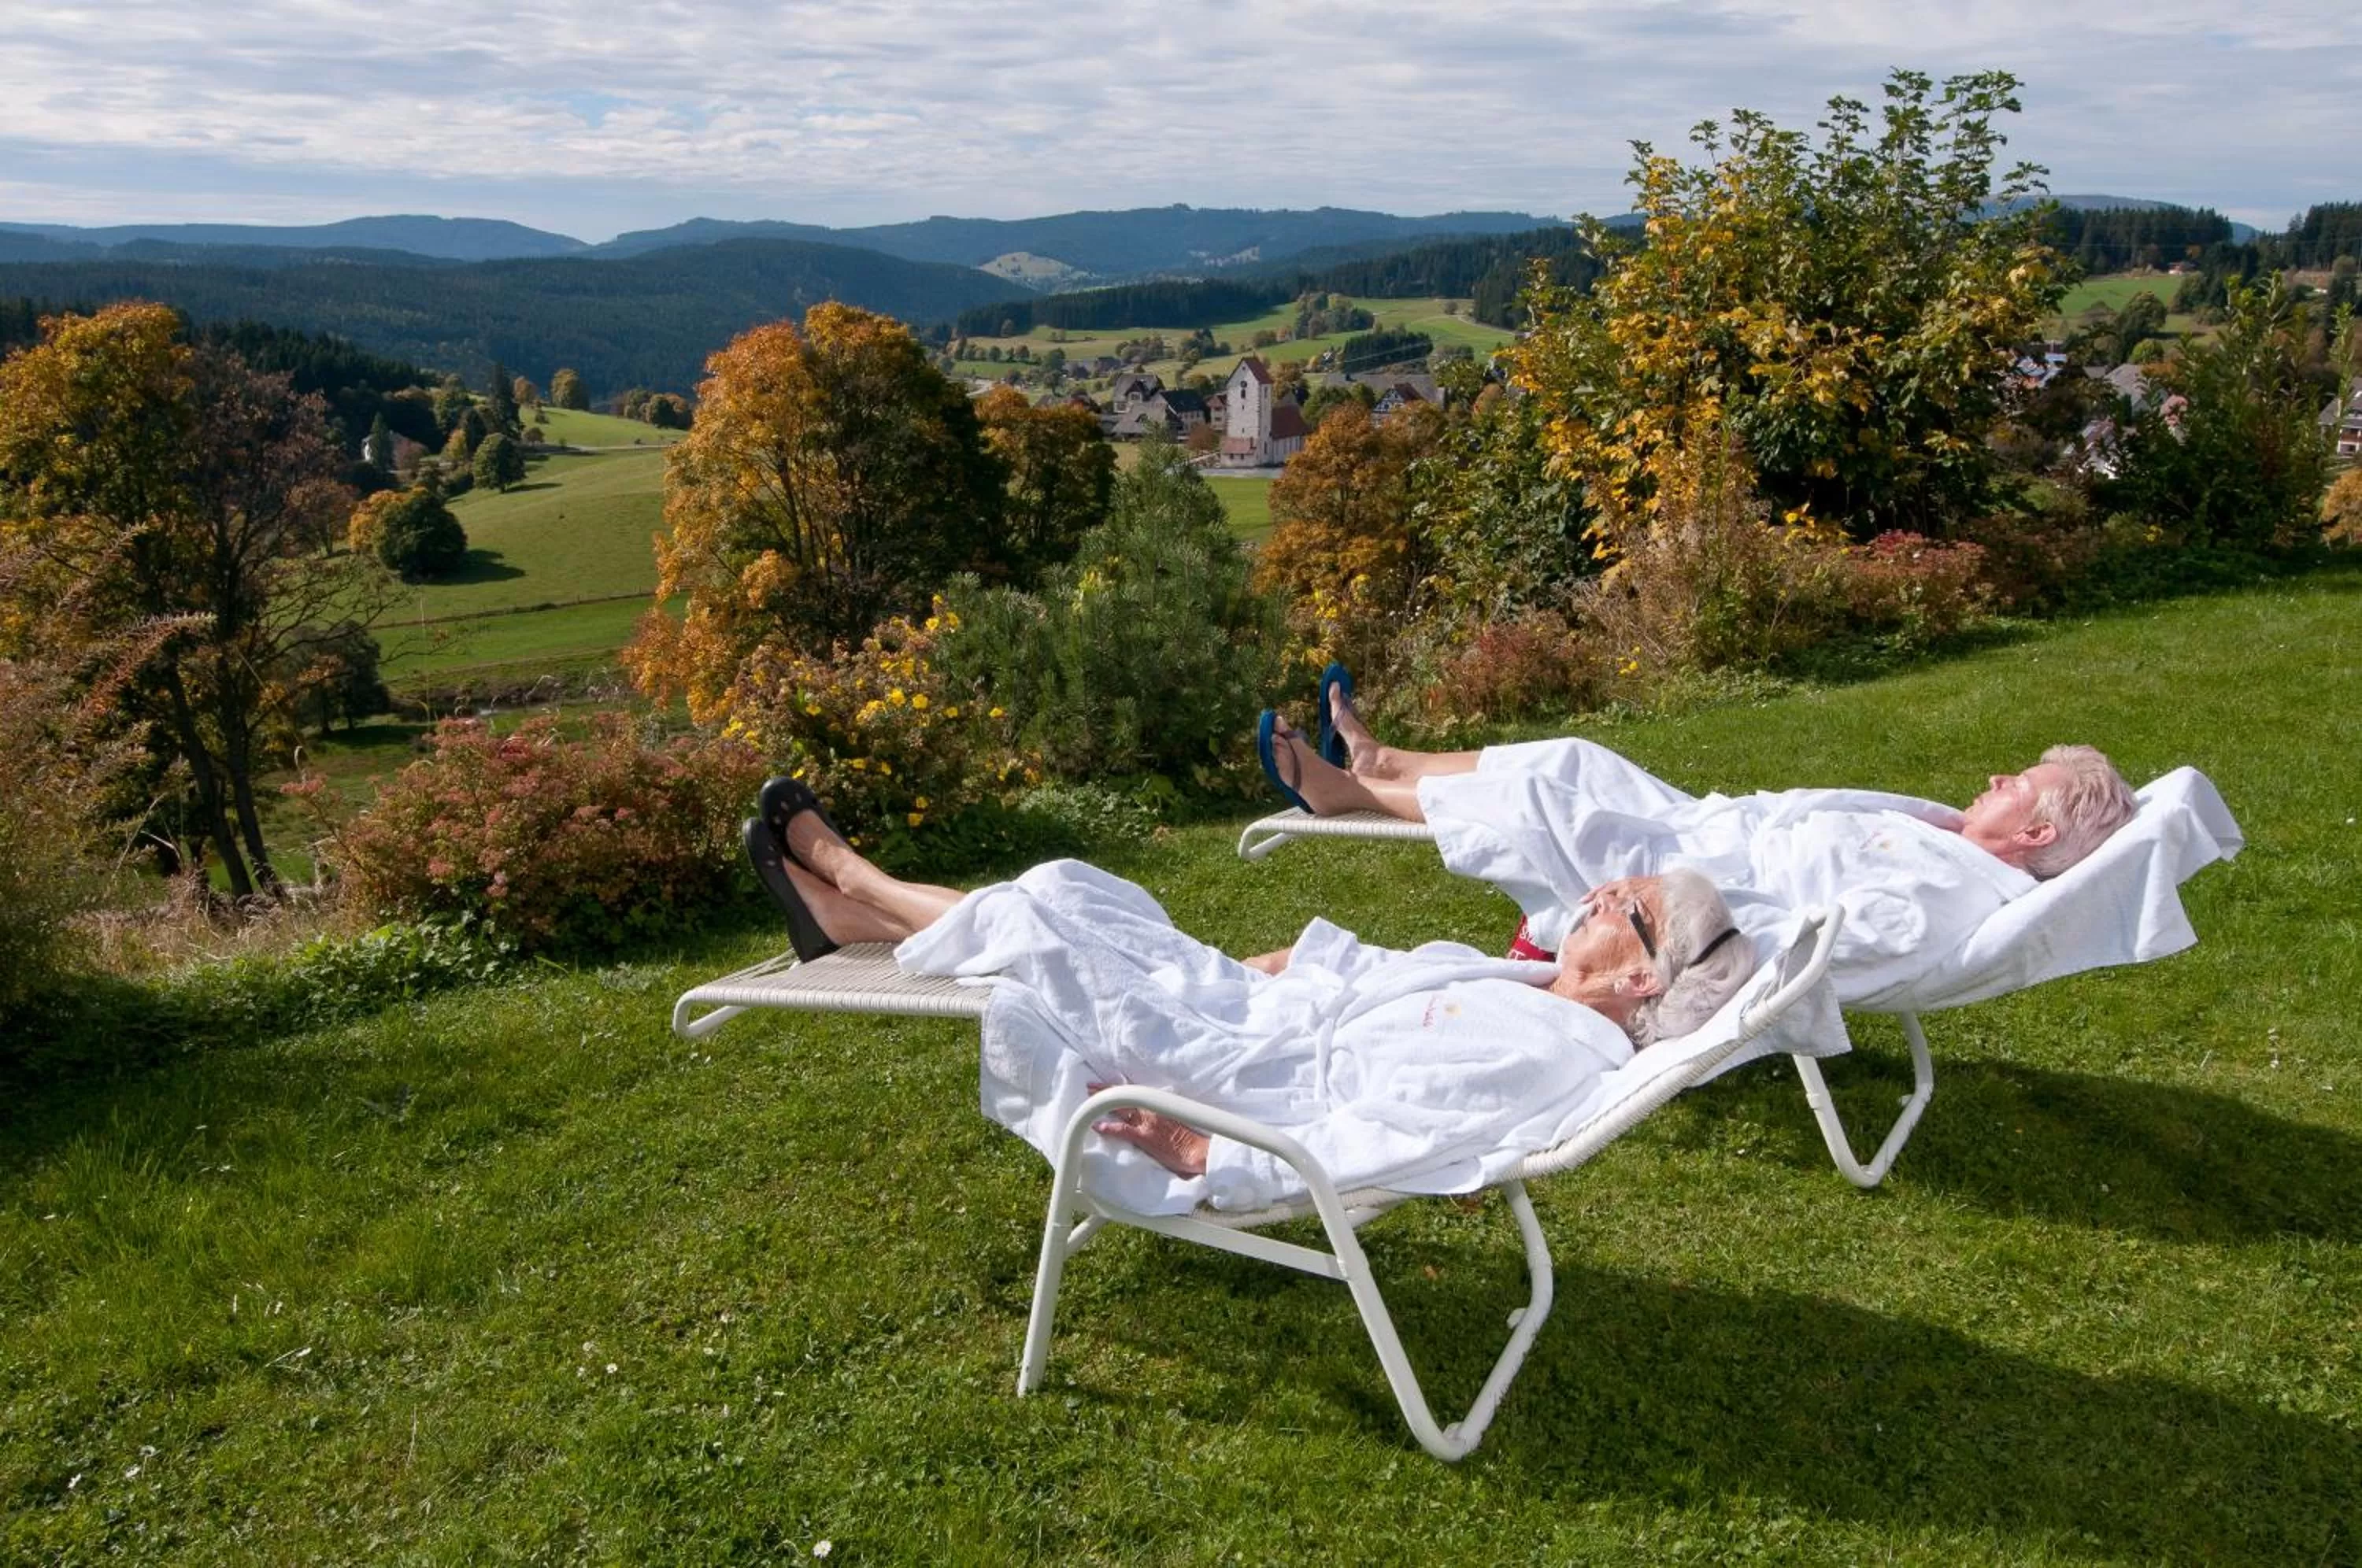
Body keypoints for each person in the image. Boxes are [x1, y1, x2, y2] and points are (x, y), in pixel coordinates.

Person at [747, 786, 1754, 1213]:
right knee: (1077, 889)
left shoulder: (1549, 1054)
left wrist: (1200, 1150)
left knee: (1047, 916)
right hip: (1249, 1012)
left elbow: (1387, 1136)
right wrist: (1271, 969)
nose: (1610, 890)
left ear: (1641, 980)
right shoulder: (1532, 987)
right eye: (1630, 882)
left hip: (1237, 1081)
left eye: (1638, 909)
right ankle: (851, 920)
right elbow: (1376, 972)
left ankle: (853, 877)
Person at [1256, 681, 2141, 1011]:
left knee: (1539, 797)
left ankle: (1347, 790)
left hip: (1706, 885)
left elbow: (1820, 942)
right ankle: (1384, 760)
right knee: (1575, 756)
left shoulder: (1947, 897)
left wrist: (1684, 900)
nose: (1993, 780)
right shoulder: (1941, 834)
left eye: (2013, 788)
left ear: (2033, 835)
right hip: (1721, 829)